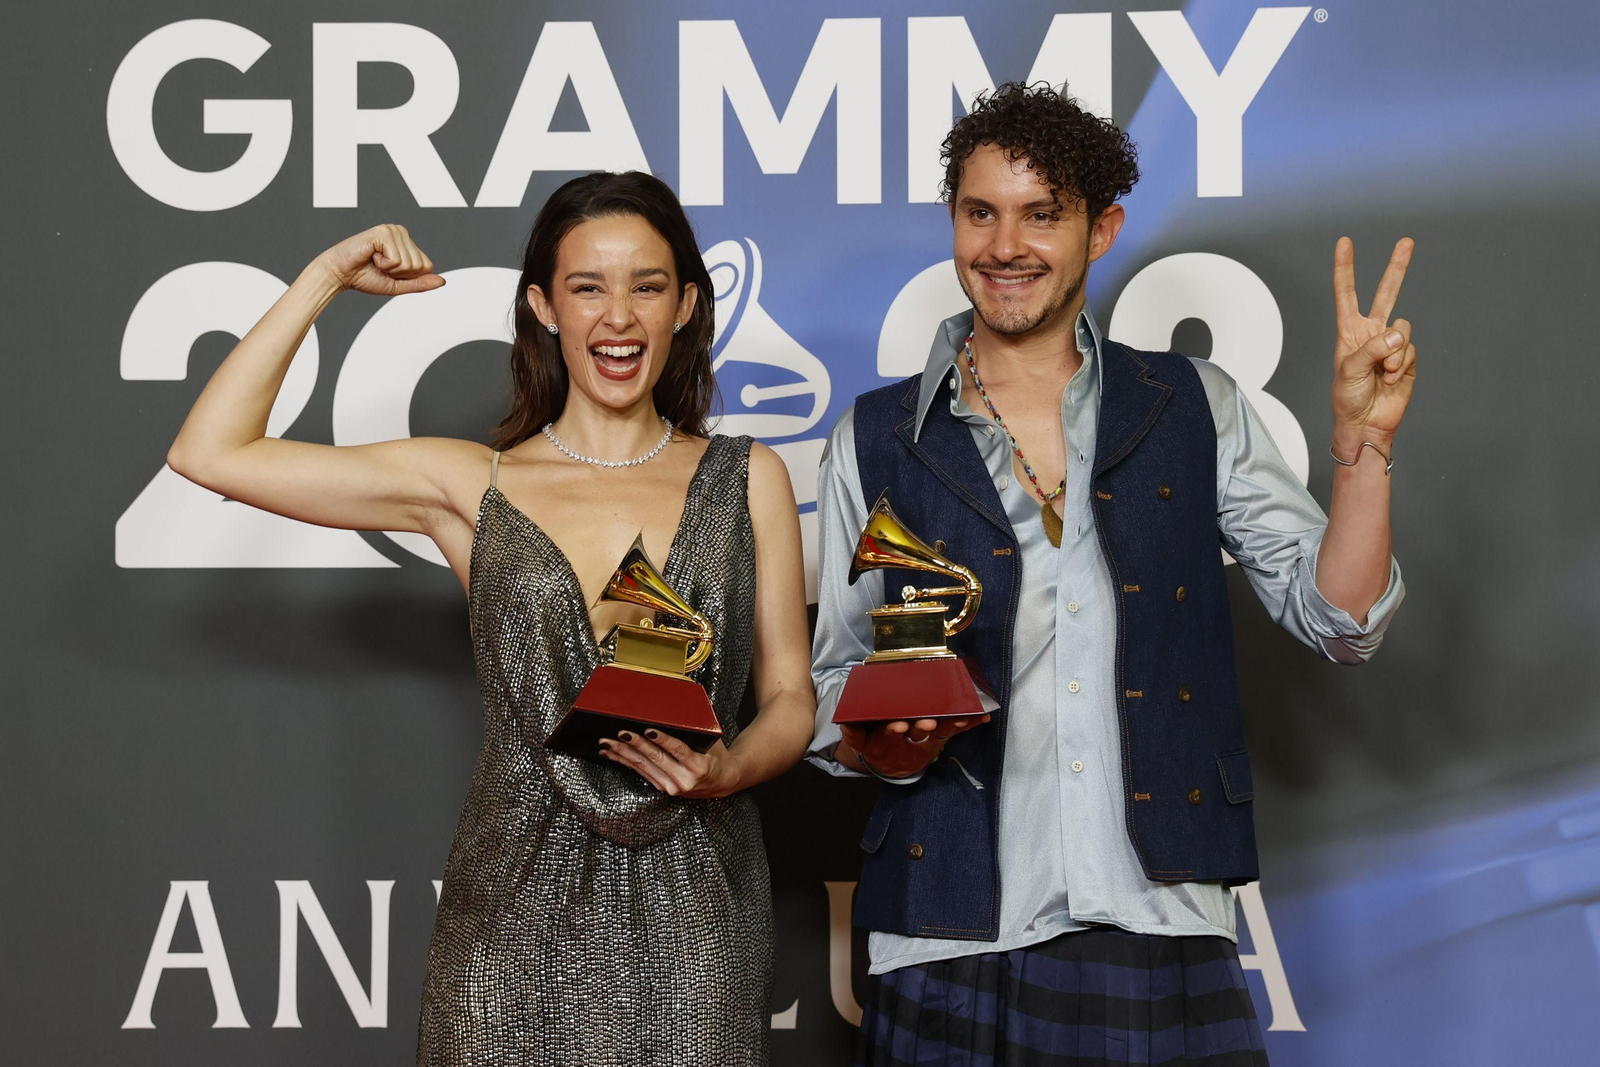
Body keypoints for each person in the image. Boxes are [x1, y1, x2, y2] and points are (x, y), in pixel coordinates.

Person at [808, 82, 1414, 1065]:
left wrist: (1361, 452)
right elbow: (831, 684)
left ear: (1102, 228)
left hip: (1158, 916)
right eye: (980, 212)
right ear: (954, 224)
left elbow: (1339, 615)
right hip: (947, 925)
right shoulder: (873, 436)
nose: (1006, 245)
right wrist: (882, 738)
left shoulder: (1192, 404)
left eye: (1041, 213)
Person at [167, 171, 815, 1065]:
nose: (617, 316)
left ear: (688, 305)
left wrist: (729, 765)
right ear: (544, 307)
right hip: (509, 910)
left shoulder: (751, 478)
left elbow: (789, 694)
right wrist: (324, 276)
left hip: (697, 901)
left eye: (648, 285)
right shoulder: (473, 483)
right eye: (588, 286)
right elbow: (210, 449)